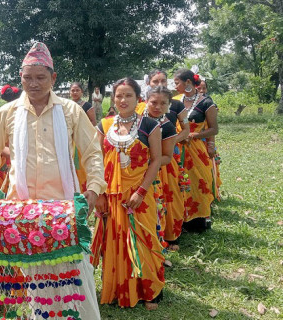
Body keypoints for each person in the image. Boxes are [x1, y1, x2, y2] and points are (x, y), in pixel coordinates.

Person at [0, 42, 105, 320]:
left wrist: (94, 189)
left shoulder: (71, 111)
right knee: (38, 287)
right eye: (27, 78)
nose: (33, 84)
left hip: (65, 211)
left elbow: (93, 152)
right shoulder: (7, 113)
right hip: (23, 213)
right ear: (20, 78)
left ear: (53, 78)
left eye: (40, 77)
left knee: (77, 282)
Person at [91, 77, 165, 309]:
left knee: (143, 239)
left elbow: (156, 161)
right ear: (113, 98)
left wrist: (141, 192)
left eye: (128, 95)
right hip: (110, 196)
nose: (123, 100)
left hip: (138, 196)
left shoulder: (150, 126)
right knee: (113, 241)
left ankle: (148, 290)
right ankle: (117, 289)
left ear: (138, 98)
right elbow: (96, 161)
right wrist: (99, 194)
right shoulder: (104, 125)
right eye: (119, 96)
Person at [174, 69, 218, 231]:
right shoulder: (175, 101)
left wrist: (194, 134)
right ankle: (180, 219)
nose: (175, 86)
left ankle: (199, 220)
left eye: (177, 82)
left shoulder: (206, 103)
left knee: (199, 182)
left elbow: (214, 129)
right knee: (179, 182)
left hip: (197, 150)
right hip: (177, 147)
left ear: (188, 83)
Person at [143, 86, 185, 251]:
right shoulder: (137, 120)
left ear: (169, 105)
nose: (157, 107)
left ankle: (162, 239)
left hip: (161, 171)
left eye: (163, 103)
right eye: (153, 102)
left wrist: (148, 163)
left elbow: (166, 156)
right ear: (146, 102)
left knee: (161, 203)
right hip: (134, 171)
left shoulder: (167, 127)